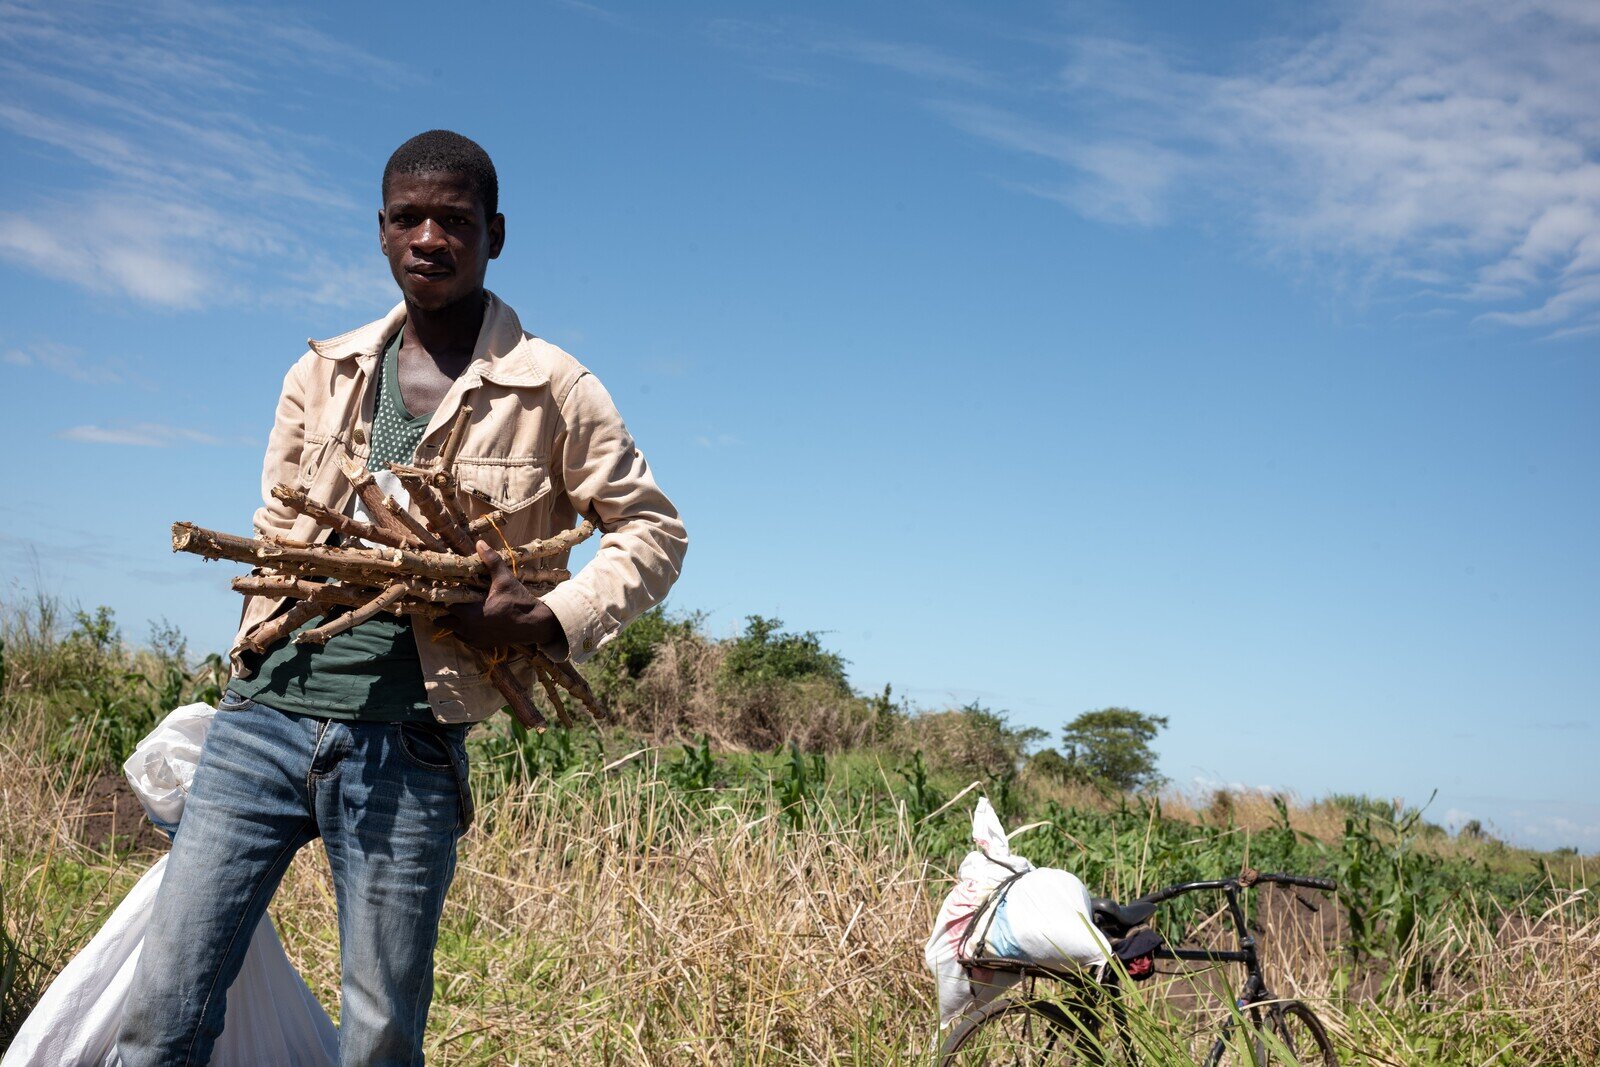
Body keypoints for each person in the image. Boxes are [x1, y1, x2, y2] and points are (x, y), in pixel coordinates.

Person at [115, 129, 688, 1066]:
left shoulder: (555, 389)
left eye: (454, 220)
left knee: (379, 1035)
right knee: (165, 1008)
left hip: (407, 740)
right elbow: (277, 523)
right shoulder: (323, 371)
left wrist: (549, 618)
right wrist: (253, 643)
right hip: (261, 719)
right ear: (380, 233)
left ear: (494, 234)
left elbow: (653, 531)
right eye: (408, 218)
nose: (430, 237)